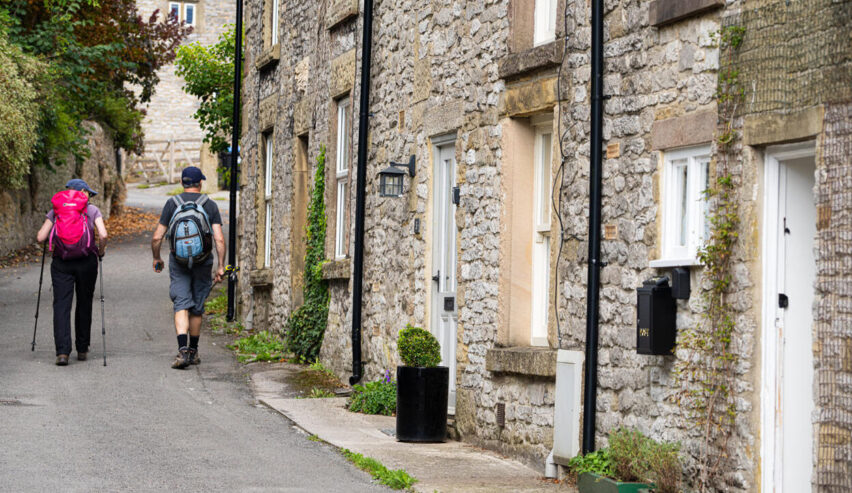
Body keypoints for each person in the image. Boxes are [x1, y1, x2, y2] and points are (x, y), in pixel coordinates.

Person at [151, 166, 226, 369]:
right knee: (196, 308)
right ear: (199, 183)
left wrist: (157, 258)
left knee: (181, 303)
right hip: (203, 262)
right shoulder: (209, 205)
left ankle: (182, 351)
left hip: (179, 261)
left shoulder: (172, 203)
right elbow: (219, 238)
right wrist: (221, 266)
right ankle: (193, 352)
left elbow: (157, 236)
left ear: (182, 183)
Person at [36, 179, 108, 366]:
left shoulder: (56, 210)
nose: (89, 197)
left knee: (61, 305)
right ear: (83, 191)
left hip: (61, 263)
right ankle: (82, 349)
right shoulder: (91, 210)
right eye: (89, 194)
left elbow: (40, 237)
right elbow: (103, 234)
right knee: (84, 302)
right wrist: (100, 251)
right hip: (87, 262)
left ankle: (62, 353)